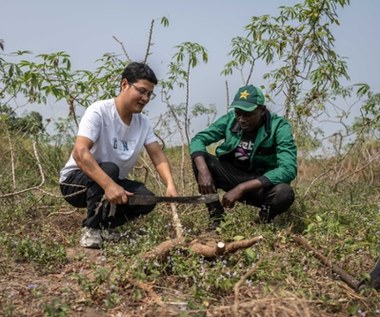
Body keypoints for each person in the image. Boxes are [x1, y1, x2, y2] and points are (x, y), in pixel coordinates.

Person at [59, 62, 177, 248]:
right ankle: (91, 230)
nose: (145, 98)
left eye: (149, 94)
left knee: (146, 198)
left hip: (110, 181)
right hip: (75, 183)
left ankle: (108, 228)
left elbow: (157, 155)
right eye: (141, 91)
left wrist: (170, 184)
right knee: (109, 168)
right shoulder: (99, 111)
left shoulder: (143, 123)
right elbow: (80, 152)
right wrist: (109, 185)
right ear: (124, 85)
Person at [190, 84, 297, 227]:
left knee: (284, 192)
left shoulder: (279, 126)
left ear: (262, 110)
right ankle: (217, 218)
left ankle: (264, 221)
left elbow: (288, 169)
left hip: (259, 185)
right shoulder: (230, 120)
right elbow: (199, 139)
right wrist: (203, 171)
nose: (241, 119)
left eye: (248, 114)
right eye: (238, 113)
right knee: (201, 160)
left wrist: (242, 188)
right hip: (232, 176)